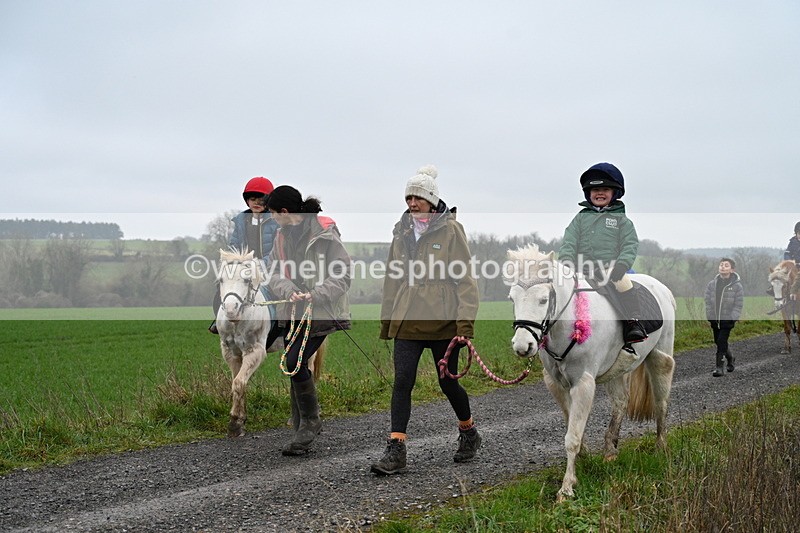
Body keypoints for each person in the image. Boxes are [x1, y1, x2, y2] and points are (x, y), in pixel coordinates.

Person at [370, 165, 481, 476]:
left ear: (431, 200)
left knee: (448, 383)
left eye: (417, 197)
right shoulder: (401, 232)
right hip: (408, 318)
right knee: (402, 381)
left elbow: (466, 280)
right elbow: (393, 278)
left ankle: (469, 432)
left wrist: (465, 325)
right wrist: (387, 319)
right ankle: (396, 448)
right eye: (408, 197)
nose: (411, 203)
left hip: (444, 322)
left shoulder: (451, 231)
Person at [266, 185, 352, 456]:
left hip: (322, 311)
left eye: (272, 213)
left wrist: (316, 294)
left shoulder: (325, 231)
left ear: (283, 211)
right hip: (293, 310)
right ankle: (301, 430)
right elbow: (272, 271)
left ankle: (310, 422)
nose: (271, 219)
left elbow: (343, 272)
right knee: (293, 364)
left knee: (294, 361)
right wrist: (289, 291)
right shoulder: (281, 236)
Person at [558, 162, 647, 344]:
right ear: (588, 194)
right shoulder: (580, 218)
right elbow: (569, 241)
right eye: (595, 190)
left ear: (614, 193)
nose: (600, 193)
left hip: (610, 268)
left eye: (605, 189)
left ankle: (633, 322)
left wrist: (622, 265)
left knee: (622, 283)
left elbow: (630, 244)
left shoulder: (622, 220)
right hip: (581, 268)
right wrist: (566, 261)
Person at [209, 176, 279, 335]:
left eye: (261, 199)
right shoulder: (241, 220)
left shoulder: (275, 221)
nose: (256, 203)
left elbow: (277, 249)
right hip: (243, 268)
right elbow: (234, 246)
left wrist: (261, 264)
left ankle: (278, 325)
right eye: (252, 199)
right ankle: (219, 321)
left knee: (273, 290)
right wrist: (235, 264)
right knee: (221, 290)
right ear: (247, 201)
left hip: (269, 266)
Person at [704, 257, 744, 377]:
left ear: (732, 270)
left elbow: (738, 304)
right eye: (721, 265)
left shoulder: (737, 286)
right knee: (718, 341)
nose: (722, 267)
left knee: (721, 341)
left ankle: (719, 367)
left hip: (728, 320)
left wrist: (733, 317)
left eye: (726, 265)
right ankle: (731, 358)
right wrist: (710, 315)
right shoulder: (712, 284)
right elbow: (707, 300)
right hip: (715, 319)